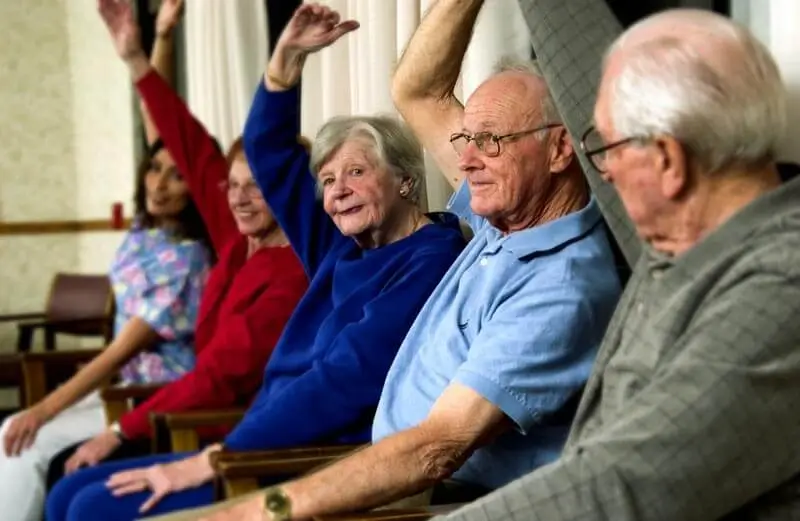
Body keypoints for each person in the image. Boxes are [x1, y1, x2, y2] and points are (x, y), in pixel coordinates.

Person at [151, 1, 623, 519]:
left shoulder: (559, 285)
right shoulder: (500, 213)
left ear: (558, 151)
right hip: (375, 468)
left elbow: (434, 450)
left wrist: (261, 507)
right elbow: (416, 91)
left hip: (443, 499)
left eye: (488, 141)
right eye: (466, 139)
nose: (465, 161)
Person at [44, 1, 466, 520]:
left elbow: (342, 380)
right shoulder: (344, 244)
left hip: (305, 459)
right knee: (71, 494)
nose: (338, 193)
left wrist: (217, 458)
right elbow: (267, 154)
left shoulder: (429, 259)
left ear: (406, 178)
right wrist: (283, 66)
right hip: (260, 440)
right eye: (328, 181)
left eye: (356, 173)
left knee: (90, 507)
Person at [422, 3, 800, 521]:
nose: (603, 174)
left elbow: (624, 484)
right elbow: (574, 57)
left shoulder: (782, 284)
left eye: (604, 148)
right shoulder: (686, 237)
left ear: (666, 161)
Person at [41, 1, 308, 491]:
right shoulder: (236, 234)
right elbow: (187, 142)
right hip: (185, 412)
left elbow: (218, 378)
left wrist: (120, 431)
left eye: (259, 186)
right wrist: (136, 61)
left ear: (288, 190)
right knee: (67, 472)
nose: (240, 198)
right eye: (232, 185)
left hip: (225, 434)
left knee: (72, 480)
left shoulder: (291, 269)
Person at [0, 119, 213, 520]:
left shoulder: (185, 257)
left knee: (25, 440)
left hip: (152, 394)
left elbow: (119, 352)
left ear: (196, 187)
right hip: (120, 387)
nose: (159, 184)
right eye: (154, 169)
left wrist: (42, 410)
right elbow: (157, 127)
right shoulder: (145, 232)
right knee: (10, 430)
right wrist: (141, 59)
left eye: (176, 176)